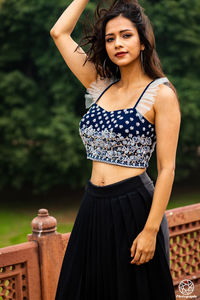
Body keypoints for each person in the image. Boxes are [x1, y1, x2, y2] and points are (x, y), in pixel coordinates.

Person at [50, 0, 181, 299]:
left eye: (126, 35)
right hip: (92, 205)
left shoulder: (161, 94)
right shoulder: (99, 84)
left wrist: (150, 231)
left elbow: (167, 169)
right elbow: (59, 32)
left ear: (143, 42)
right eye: (110, 39)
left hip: (134, 207)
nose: (117, 44)